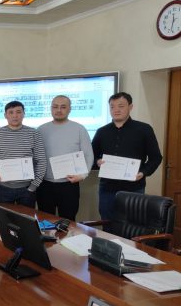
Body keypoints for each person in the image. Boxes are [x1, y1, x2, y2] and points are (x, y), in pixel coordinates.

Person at [92, 92, 162, 222]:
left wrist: (143, 172)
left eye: (121, 106)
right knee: (107, 222)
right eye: (112, 107)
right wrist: (97, 161)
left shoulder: (144, 129)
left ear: (130, 107)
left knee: (133, 222)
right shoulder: (102, 131)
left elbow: (156, 157)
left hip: (134, 187)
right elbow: (92, 156)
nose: (116, 110)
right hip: (107, 188)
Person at [37, 95, 94, 221]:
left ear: (69, 109)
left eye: (63, 107)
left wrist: (83, 175)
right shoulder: (41, 129)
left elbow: (88, 154)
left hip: (69, 185)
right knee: (45, 222)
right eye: (55, 107)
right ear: (51, 109)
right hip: (45, 185)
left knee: (68, 222)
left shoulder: (79, 129)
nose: (58, 110)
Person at [0, 101, 47, 208]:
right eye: (11, 112)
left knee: (26, 218)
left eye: (18, 112)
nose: (15, 115)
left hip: (27, 189)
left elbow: (41, 161)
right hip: (2, 188)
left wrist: (33, 186)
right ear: (5, 115)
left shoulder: (34, 133)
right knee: (3, 217)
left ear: (24, 114)